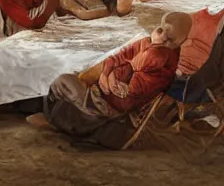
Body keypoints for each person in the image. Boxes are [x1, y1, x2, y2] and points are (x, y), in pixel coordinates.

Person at [26, 13, 190, 149]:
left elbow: (129, 90)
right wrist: (107, 74)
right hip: (103, 91)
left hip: (109, 104)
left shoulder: (160, 58)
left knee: (60, 82)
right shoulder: (147, 42)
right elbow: (118, 57)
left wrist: (112, 75)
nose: (160, 39)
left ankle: (52, 120)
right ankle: (54, 117)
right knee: (66, 80)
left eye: (169, 40)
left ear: (180, 42)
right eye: (160, 30)